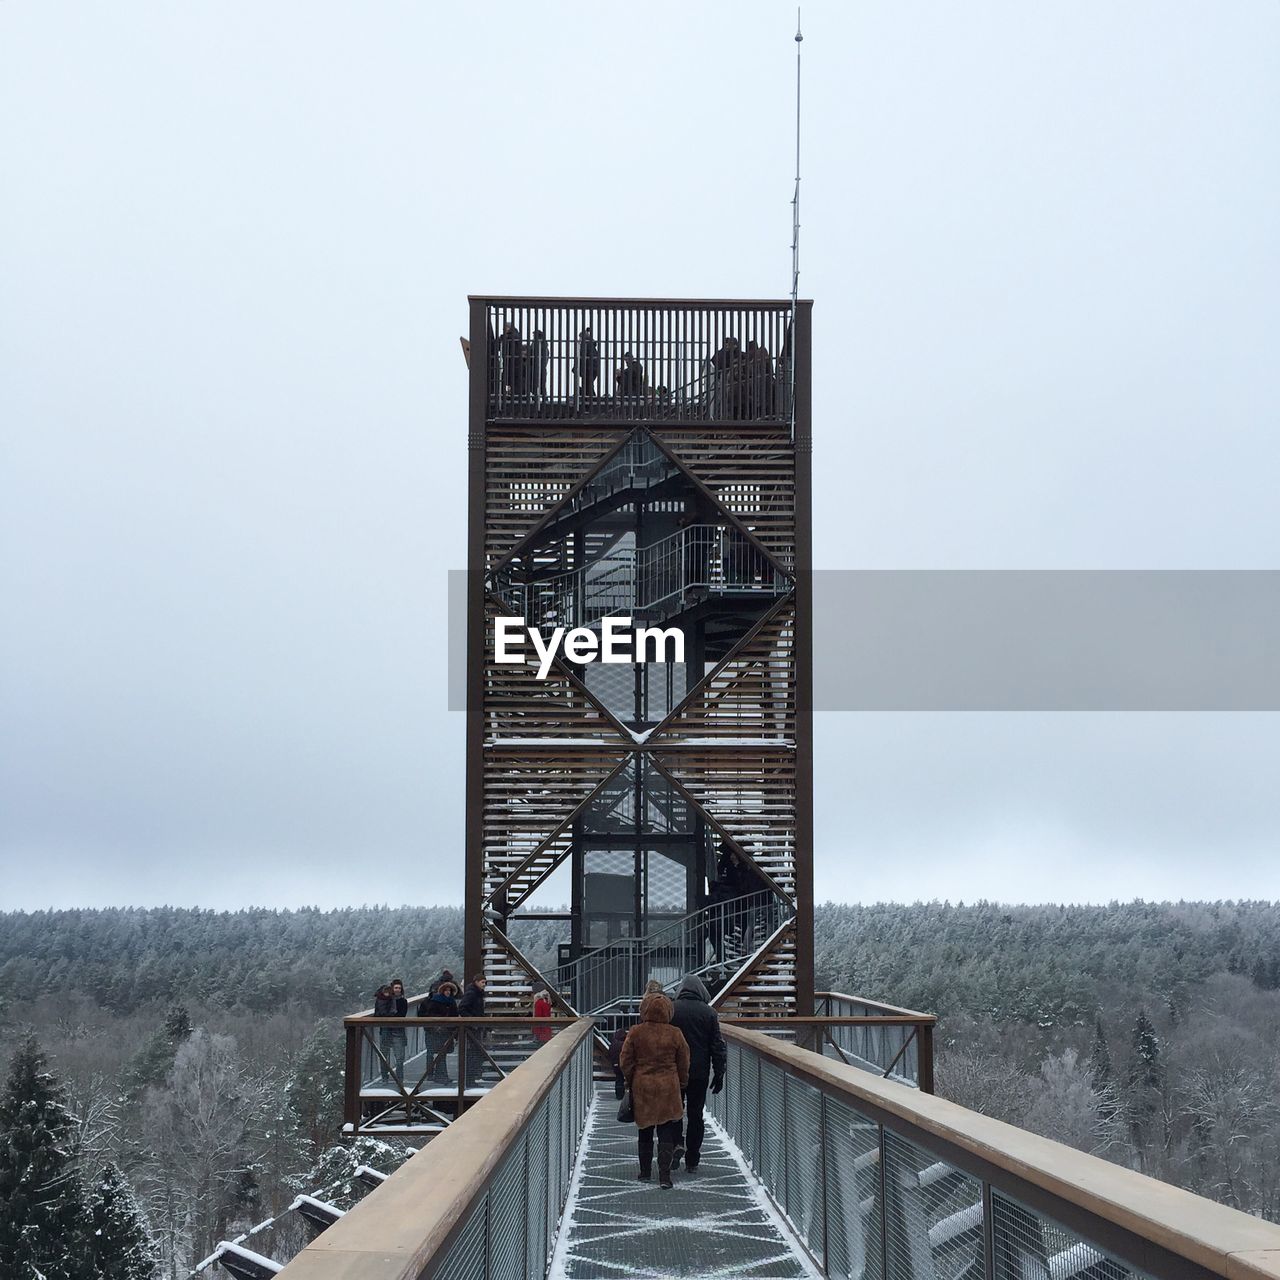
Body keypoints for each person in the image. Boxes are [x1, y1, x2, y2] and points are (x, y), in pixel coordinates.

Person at [619, 991, 690, 1189]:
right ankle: (665, 1176)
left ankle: (645, 1171)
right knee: (666, 1129)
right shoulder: (675, 1033)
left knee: (645, 1129)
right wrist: (682, 1082)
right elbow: (684, 1061)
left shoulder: (636, 1032)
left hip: (643, 1085)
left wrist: (632, 1078)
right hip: (669, 1085)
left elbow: (625, 1060)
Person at [668, 975, 726, 1173]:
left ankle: (677, 1143)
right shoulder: (709, 1013)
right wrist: (719, 1073)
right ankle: (693, 1159)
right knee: (695, 1115)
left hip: (674, 1070)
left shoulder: (672, 1010)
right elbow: (717, 1046)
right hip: (699, 1072)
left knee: (674, 1111)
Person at [418, 978, 459, 1083]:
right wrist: (436, 1026)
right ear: (442, 991)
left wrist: (455, 1033)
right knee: (438, 1053)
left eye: (449, 991)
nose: (448, 992)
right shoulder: (436, 1002)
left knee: (442, 1054)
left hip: (447, 1032)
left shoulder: (451, 1002)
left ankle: (440, 1076)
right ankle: (438, 1076)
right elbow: (430, 1015)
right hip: (436, 1032)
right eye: (446, 990)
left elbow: (455, 1017)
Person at [373, 979, 407, 1083]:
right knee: (384, 1055)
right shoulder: (384, 1000)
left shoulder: (403, 1001)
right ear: (392, 988)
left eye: (399, 988)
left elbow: (402, 1015)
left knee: (399, 1057)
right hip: (386, 1030)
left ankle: (399, 1079)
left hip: (398, 1031)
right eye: (396, 988)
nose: (397, 990)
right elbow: (378, 1014)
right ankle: (384, 1077)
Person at [458, 973, 488, 1087]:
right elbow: (461, 1008)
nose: (484, 985)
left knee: (475, 1054)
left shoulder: (477, 993)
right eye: (482, 982)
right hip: (472, 1029)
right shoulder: (472, 994)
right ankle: (470, 1081)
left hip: (475, 1028)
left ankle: (471, 1080)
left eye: (485, 982)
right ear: (476, 982)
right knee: (472, 1055)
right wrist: (472, 1021)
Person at [574, 327, 600, 401]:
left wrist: (576, 368)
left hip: (588, 369)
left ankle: (592, 400)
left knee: (588, 385)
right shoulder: (592, 346)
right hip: (592, 369)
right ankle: (591, 400)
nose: (579, 340)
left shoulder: (585, 345)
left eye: (580, 338)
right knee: (588, 385)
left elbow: (581, 358)